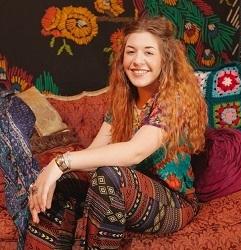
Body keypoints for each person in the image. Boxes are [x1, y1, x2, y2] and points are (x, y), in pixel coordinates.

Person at [26, 16, 207, 249]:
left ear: (166, 58)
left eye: (149, 52)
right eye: (131, 52)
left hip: (173, 202)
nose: (137, 60)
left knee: (110, 176)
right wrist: (52, 173)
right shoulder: (123, 101)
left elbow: (134, 152)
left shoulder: (174, 100)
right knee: (65, 181)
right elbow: (93, 156)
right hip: (120, 194)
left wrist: (60, 162)